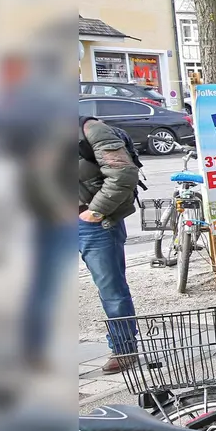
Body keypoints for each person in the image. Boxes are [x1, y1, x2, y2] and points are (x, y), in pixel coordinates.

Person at [79, 115, 141, 373]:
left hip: (91, 224)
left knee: (111, 289)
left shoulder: (90, 129)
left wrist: (96, 210)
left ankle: (124, 348)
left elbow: (123, 172)